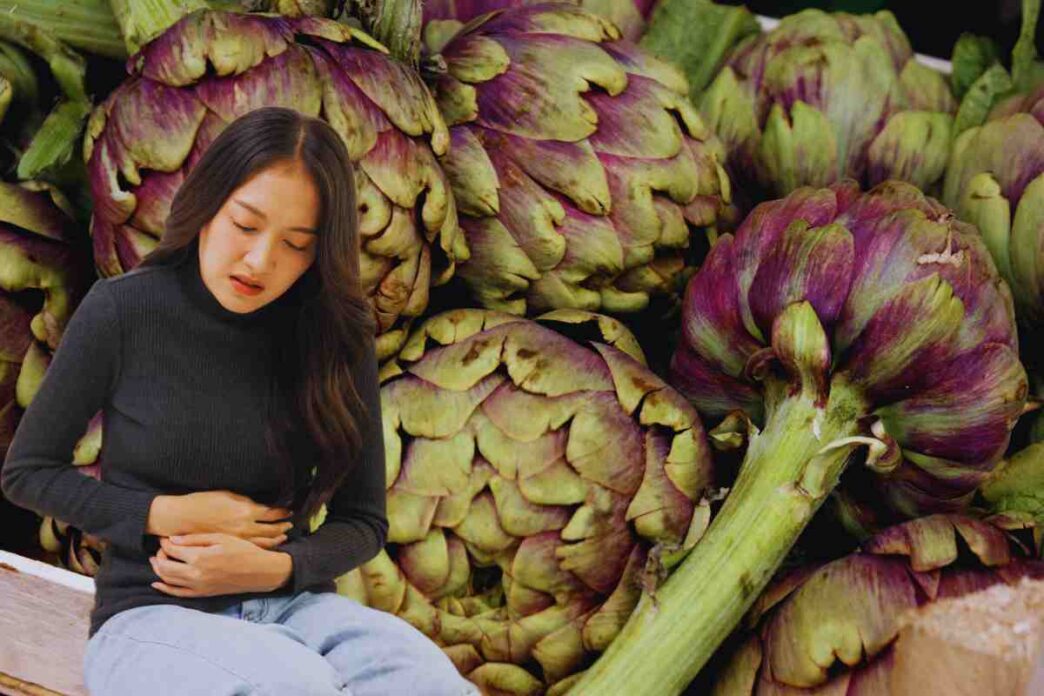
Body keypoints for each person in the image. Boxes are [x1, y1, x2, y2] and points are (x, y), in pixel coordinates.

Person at [1, 107, 479, 696]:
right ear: (207, 207)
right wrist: (168, 515)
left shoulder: (337, 334)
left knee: (430, 683)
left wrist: (278, 568)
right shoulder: (123, 310)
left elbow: (363, 522)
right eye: (245, 225)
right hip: (148, 621)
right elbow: (27, 474)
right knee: (295, 686)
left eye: (295, 245)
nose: (259, 261)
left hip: (295, 609)